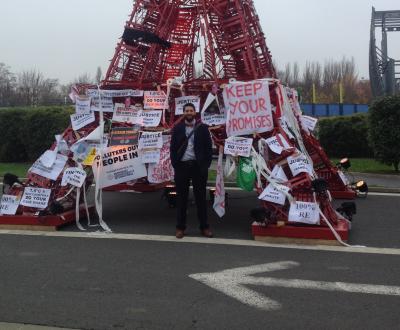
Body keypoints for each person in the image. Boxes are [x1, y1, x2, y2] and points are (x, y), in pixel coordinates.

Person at [170, 103, 213, 239]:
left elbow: (208, 148)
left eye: (191, 110)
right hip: (182, 166)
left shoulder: (203, 129)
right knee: (181, 199)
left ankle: (204, 227)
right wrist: (175, 163)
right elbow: (172, 148)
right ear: (184, 113)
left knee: (201, 198)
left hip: (198, 167)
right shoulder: (177, 128)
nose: (189, 112)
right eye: (186, 110)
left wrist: (205, 165)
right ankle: (180, 228)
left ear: (195, 112)